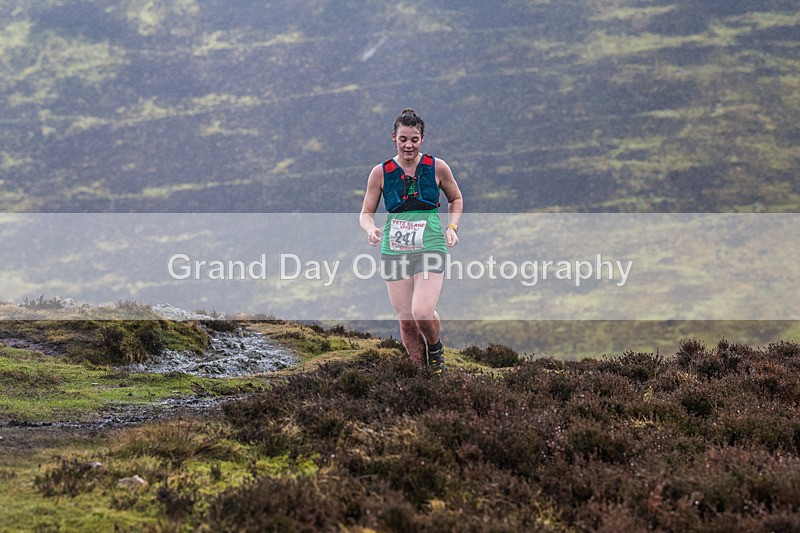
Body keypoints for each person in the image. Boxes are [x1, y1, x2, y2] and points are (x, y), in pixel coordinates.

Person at [359, 109, 463, 372]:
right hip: (394, 249)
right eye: (403, 139)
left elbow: (456, 199)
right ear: (393, 138)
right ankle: (421, 374)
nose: (408, 145)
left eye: (414, 139)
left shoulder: (438, 167)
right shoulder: (380, 173)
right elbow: (366, 213)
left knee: (422, 312)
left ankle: (435, 349)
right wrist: (370, 229)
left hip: (430, 246)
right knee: (406, 321)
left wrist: (452, 227)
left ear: (422, 139)